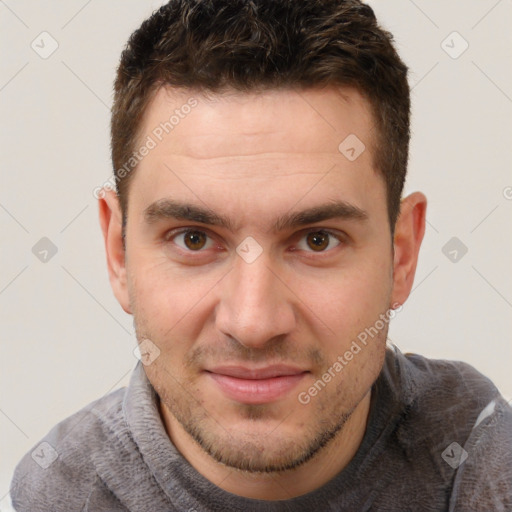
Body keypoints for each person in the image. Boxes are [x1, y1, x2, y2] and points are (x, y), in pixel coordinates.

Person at [10, 0, 512, 510]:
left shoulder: (480, 459)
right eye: (194, 239)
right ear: (118, 252)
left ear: (401, 255)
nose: (253, 323)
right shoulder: (64, 493)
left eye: (318, 239)